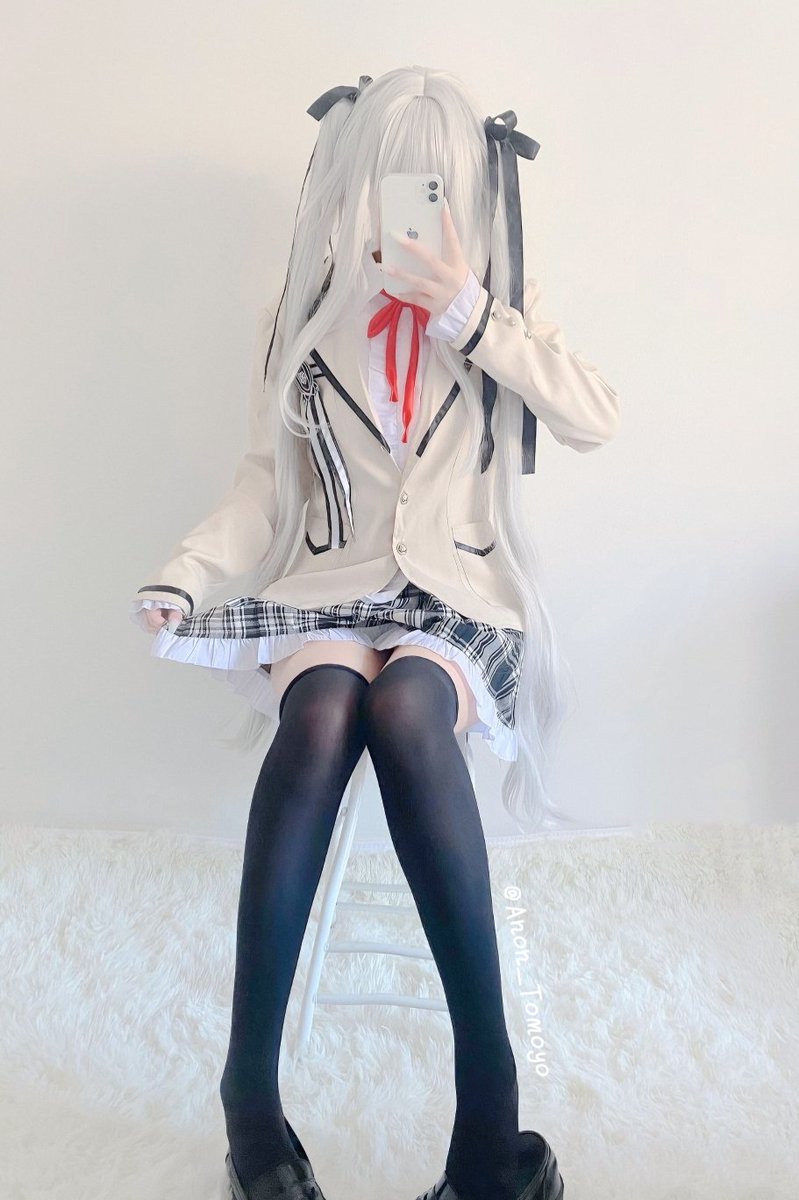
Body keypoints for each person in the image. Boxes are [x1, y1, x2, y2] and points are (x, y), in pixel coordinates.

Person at [130, 65, 619, 1200]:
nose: (413, 204)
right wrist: (186, 575)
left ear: (467, 188)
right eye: (394, 181)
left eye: (433, 184)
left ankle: (487, 1112)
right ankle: (250, 1099)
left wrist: (470, 314)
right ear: (353, 180)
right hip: (333, 588)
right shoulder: (307, 317)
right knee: (318, 713)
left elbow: (594, 417)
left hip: (458, 600)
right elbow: (265, 486)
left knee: (403, 709)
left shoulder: (500, 311)